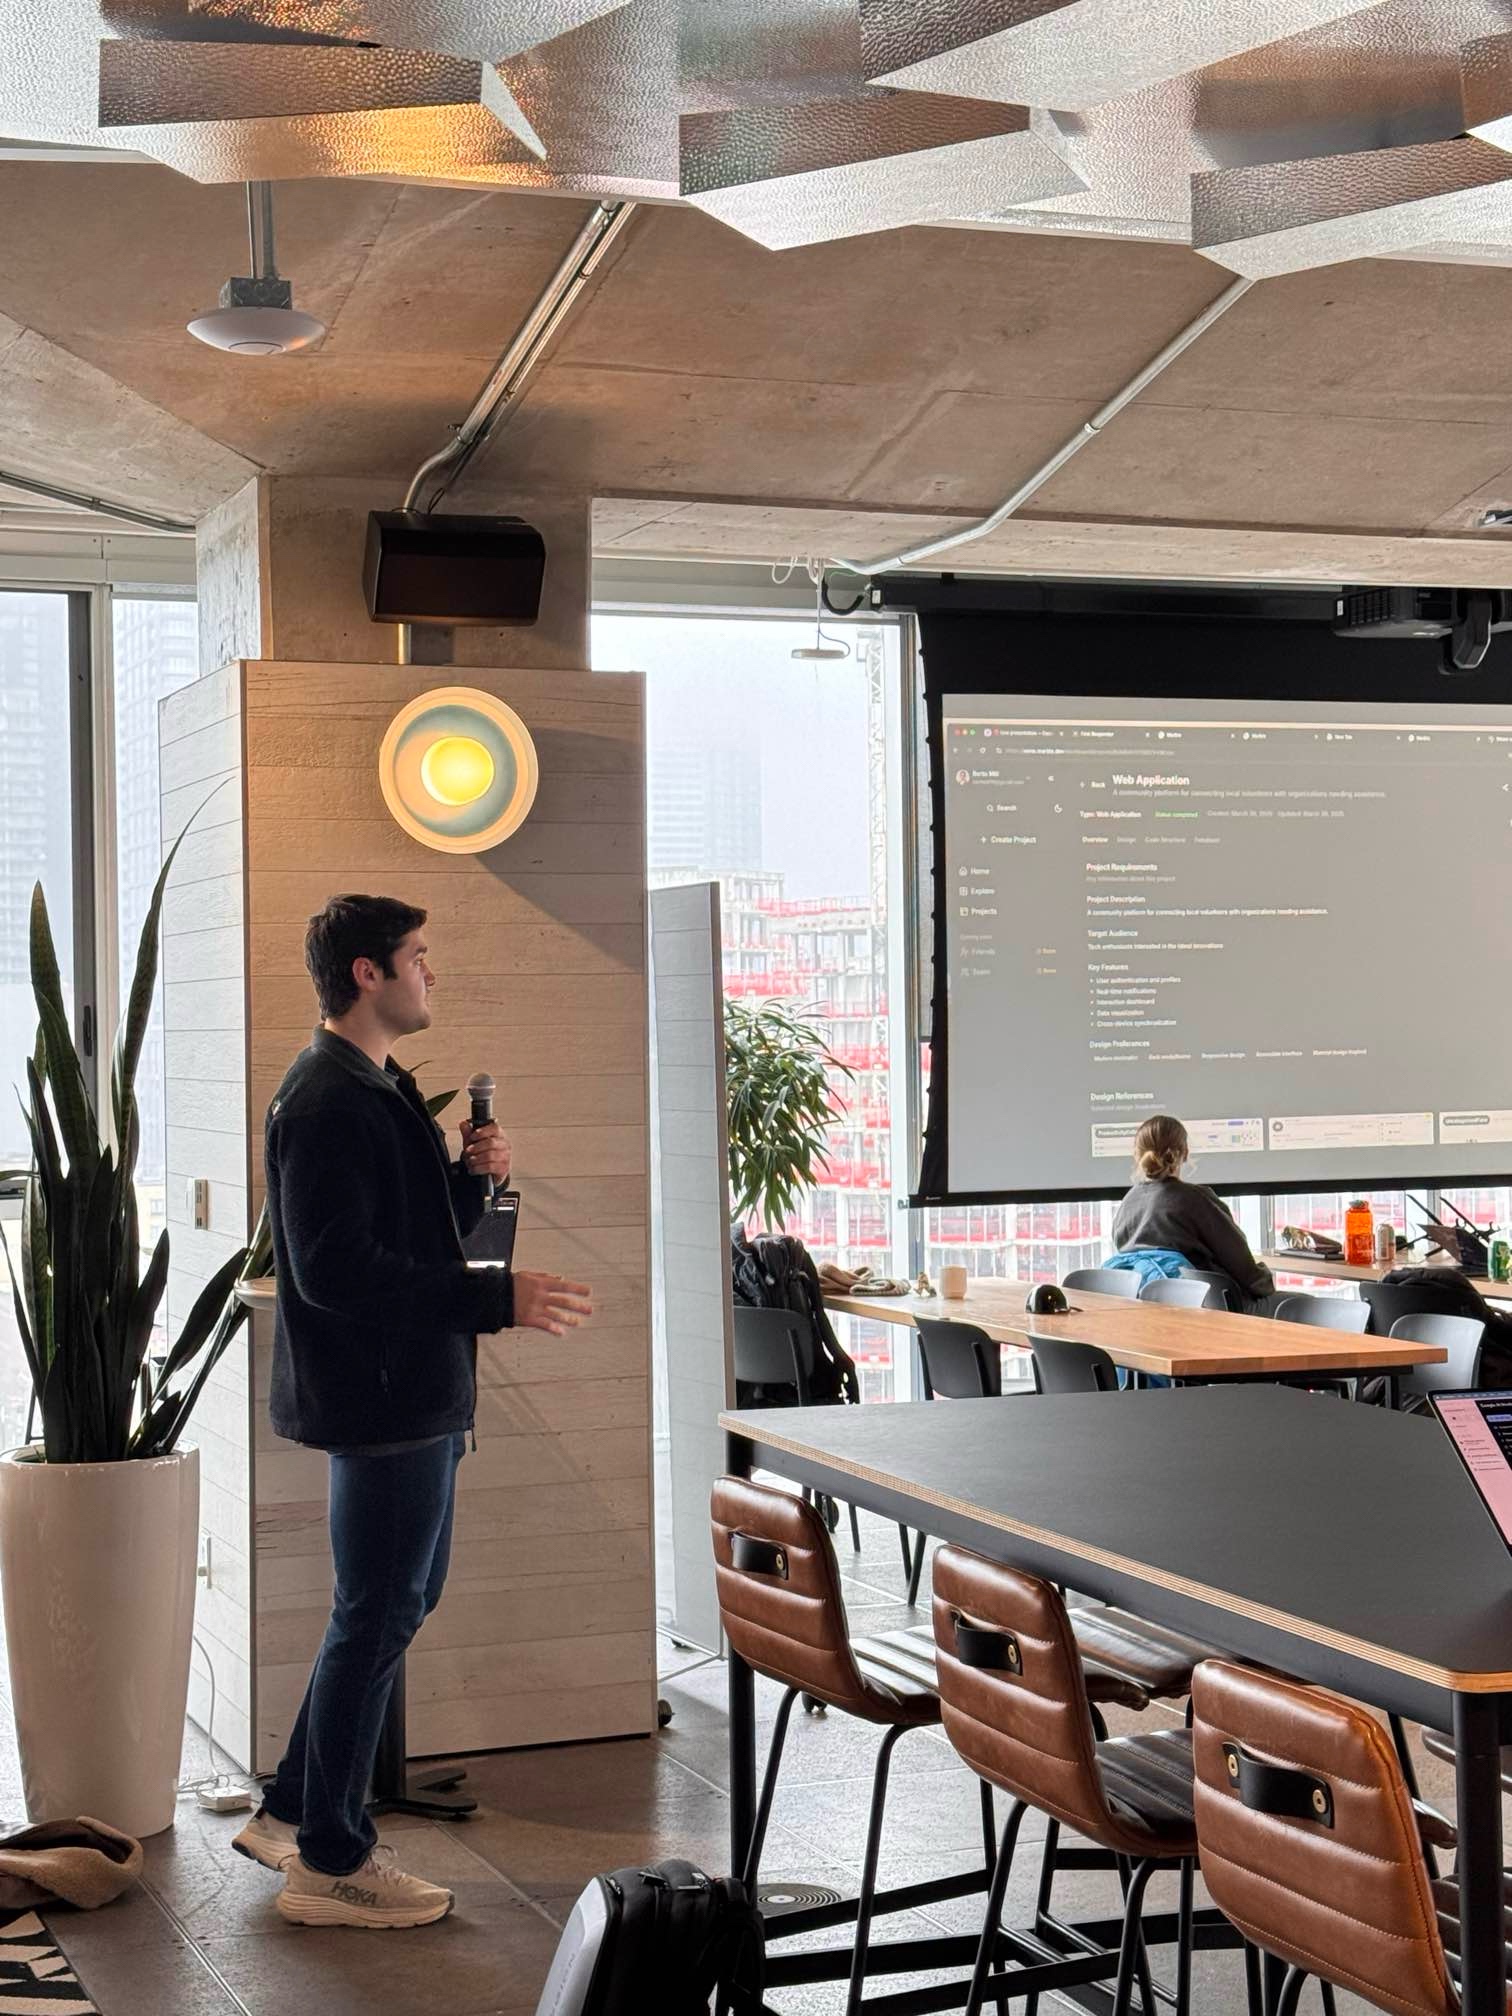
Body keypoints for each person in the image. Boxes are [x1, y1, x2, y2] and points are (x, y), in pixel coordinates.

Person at [231, 894, 592, 1929]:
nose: (432, 972)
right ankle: (332, 1861)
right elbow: (335, 1270)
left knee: (392, 1601)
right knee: (377, 1610)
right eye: (418, 957)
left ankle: (295, 1809)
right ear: (367, 973)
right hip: (384, 1402)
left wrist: (471, 1186)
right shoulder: (327, 1100)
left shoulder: (371, 1087)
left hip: (412, 1395)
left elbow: (406, 1237)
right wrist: (497, 1299)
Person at [1112, 1114, 1280, 1314]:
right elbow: (1242, 1265)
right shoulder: (1195, 1198)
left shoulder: (1128, 1202)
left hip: (1146, 1310)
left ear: (1138, 1155)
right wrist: (1266, 1283)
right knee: (1299, 1304)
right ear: (1184, 1152)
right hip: (1212, 1308)